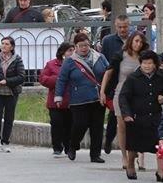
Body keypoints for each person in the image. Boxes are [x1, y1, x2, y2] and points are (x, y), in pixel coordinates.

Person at [54, 32, 109, 163]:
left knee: (97, 127)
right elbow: (62, 79)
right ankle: (73, 146)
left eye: (86, 45)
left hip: (97, 97)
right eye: (81, 46)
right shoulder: (70, 61)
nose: (84, 48)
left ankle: (95, 154)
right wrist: (58, 96)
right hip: (79, 99)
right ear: (76, 46)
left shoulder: (99, 57)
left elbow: (108, 71)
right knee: (80, 124)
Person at [101, 31, 149, 170]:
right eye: (136, 41)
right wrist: (102, 92)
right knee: (122, 126)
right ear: (131, 41)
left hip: (140, 94)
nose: (138, 44)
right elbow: (108, 73)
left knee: (140, 125)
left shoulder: (145, 57)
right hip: (121, 93)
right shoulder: (120, 55)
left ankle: (141, 156)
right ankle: (125, 156)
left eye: (140, 42)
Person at [117, 50, 163, 180]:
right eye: (144, 63)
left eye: (150, 63)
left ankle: (161, 170)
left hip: (155, 115)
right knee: (133, 144)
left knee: (160, 144)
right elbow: (123, 97)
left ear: (155, 64)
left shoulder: (161, 77)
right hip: (136, 116)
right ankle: (131, 165)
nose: (147, 66)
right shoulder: (133, 78)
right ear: (141, 63)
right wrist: (126, 114)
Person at [100, 15, 133, 155]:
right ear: (115, 26)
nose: (122, 30)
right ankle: (109, 139)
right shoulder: (108, 41)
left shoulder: (134, 40)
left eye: (125, 27)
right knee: (114, 113)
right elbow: (104, 61)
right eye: (119, 27)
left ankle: (132, 146)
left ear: (129, 25)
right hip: (114, 82)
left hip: (131, 82)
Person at [40, 43, 74, 157]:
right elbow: (43, 79)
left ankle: (69, 147)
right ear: (62, 52)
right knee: (56, 124)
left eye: (73, 50)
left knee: (69, 125)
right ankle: (57, 147)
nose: (71, 53)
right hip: (55, 102)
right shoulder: (51, 64)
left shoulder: (76, 64)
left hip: (71, 101)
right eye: (69, 50)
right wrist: (59, 79)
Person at [0, 36, 24, 152]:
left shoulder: (17, 59)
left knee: (9, 118)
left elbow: (21, 77)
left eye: (7, 44)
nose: (4, 46)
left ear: (12, 47)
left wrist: (6, 81)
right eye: (2, 43)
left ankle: (5, 142)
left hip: (11, 92)